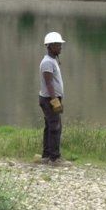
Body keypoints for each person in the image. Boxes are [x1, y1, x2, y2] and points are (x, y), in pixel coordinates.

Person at [39, 32, 66, 165]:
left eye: (60, 45)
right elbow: (48, 83)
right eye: (58, 45)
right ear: (50, 46)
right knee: (55, 127)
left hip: (51, 99)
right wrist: (55, 101)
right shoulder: (47, 63)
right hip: (49, 99)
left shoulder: (52, 60)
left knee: (50, 126)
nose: (60, 47)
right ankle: (55, 159)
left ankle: (46, 156)